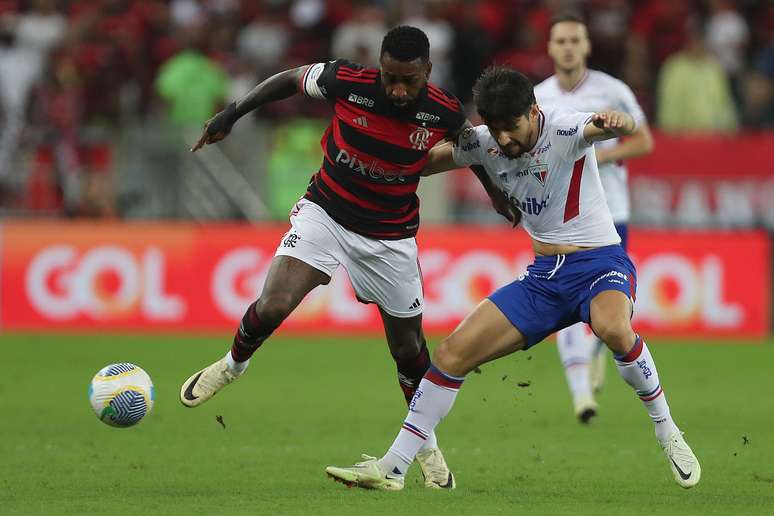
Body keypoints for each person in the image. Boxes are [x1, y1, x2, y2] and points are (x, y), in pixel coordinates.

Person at [325, 65, 701, 490]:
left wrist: (622, 120)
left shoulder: (566, 128)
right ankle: (393, 467)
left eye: (513, 127)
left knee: (614, 328)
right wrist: (376, 150)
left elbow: (615, 128)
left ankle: (668, 431)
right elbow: (424, 163)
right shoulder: (487, 143)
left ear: (535, 112)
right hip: (543, 280)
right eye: (496, 128)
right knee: (450, 355)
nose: (505, 139)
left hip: (599, 263)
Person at [179, 26, 513, 490]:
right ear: (379, 64)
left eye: (408, 81)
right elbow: (288, 78)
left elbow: (471, 147)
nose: (397, 89)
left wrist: (495, 193)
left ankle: (426, 445)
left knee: (408, 350)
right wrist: (231, 114)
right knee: (274, 303)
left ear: (428, 73)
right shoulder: (347, 82)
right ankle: (232, 364)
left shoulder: (443, 109)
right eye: (390, 76)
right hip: (327, 212)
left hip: (390, 237)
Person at [534, 12, 654, 423]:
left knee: (610, 305)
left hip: (609, 213)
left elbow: (644, 140)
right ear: (550, 48)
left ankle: (594, 355)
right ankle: (582, 394)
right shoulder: (537, 96)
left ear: (586, 46)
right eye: (560, 41)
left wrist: (599, 153)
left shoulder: (612, 90)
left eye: (574, 40)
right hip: (559, 219)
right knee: (566, 299)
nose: (567, 47)